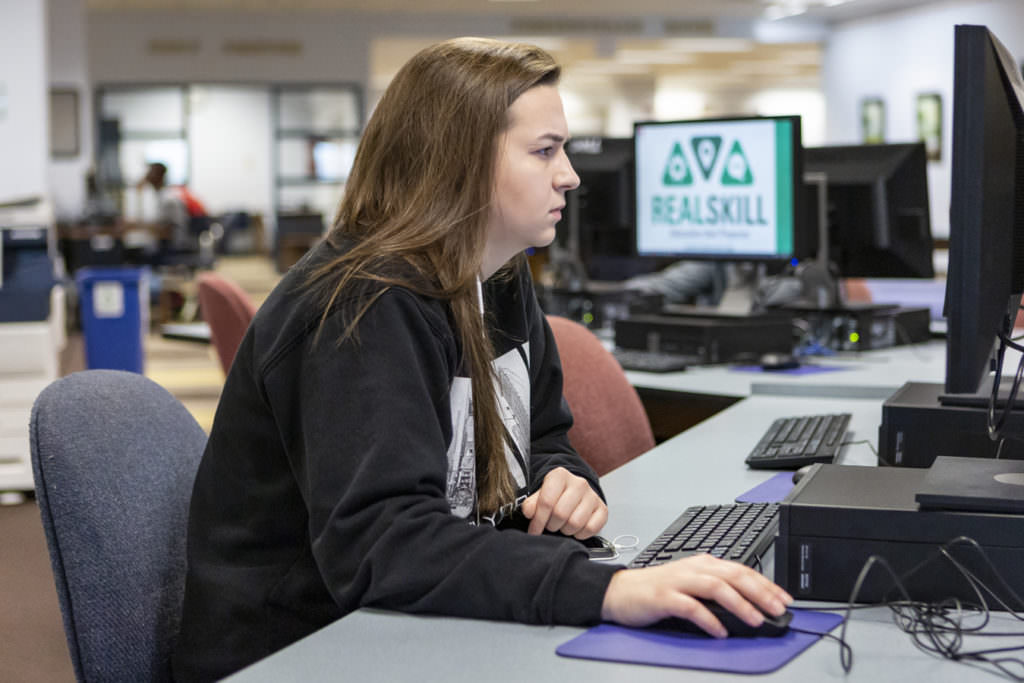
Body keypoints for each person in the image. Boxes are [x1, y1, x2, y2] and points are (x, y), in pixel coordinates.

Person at [172, 37, 792, 681]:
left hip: (414, 626)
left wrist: (561, 479)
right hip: (300, 651)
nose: (569, 175)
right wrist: (608, 592)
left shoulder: (496, 272)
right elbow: (384, 546)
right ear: (459, 161)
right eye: (544, 151)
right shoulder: (364, 305)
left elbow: (543, 434)